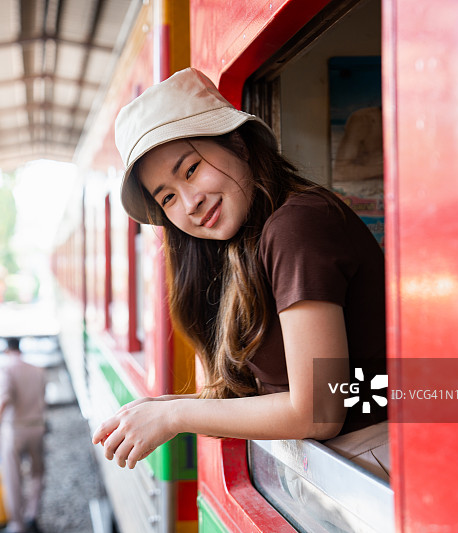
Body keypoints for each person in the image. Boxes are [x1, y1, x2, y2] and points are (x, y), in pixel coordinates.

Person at [92, 68, 389, 478]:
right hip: (335, 472)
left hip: (373, 468)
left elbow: (318, 412)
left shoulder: (297, 224)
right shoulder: (239, 248)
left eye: (191, 169)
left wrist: (176, 415)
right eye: (168, 197)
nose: (190, 203)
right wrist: (158, 409)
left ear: (238, 143)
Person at [0, 337, 47, 533]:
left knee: (12, 476)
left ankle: (17, 524)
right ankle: (32, 514)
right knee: (37, 473)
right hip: (37, 427)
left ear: (7, 350)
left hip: (14, 429)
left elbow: (4, 400)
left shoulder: (6, 370)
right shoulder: (38, 370)